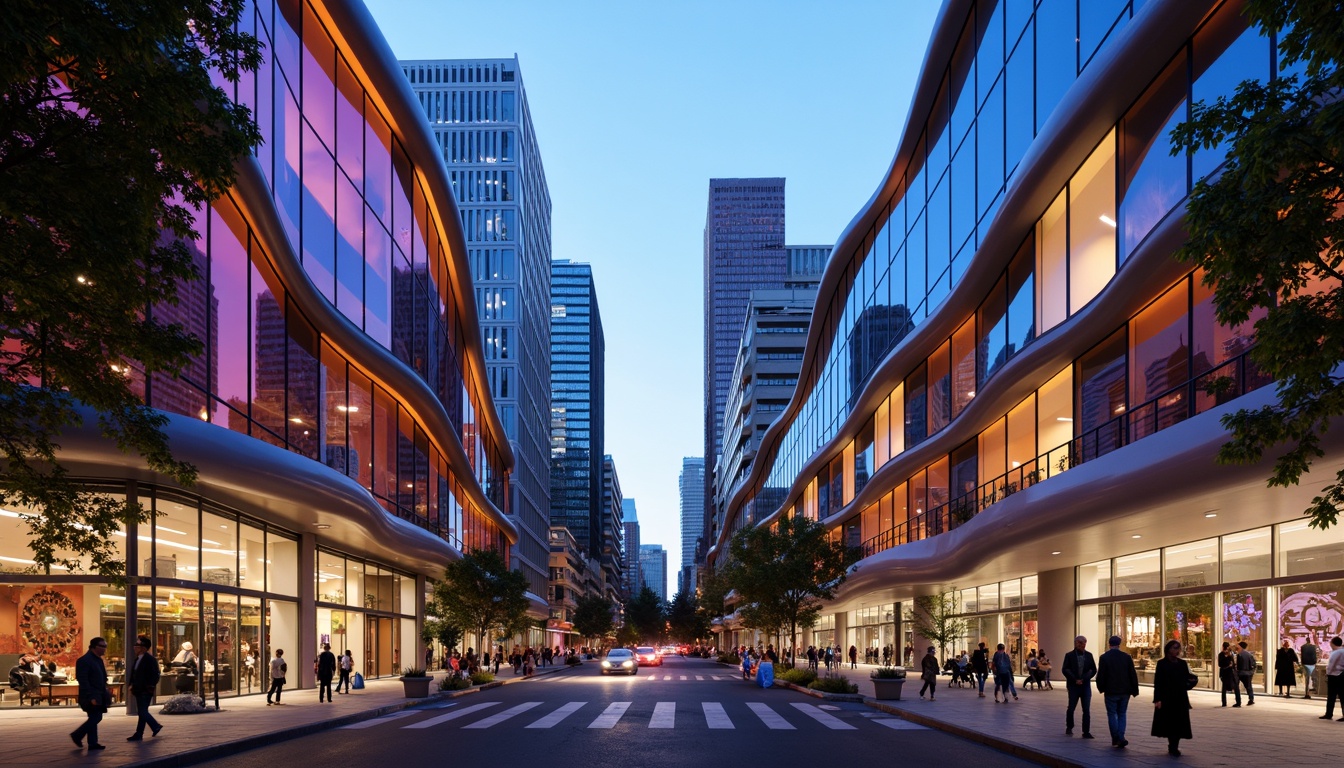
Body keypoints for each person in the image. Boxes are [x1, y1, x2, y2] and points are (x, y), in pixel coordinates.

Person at [1095, 635, 1139, 749]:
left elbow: (1101, 675)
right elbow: (1132, 674)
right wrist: (1134, 689)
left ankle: (1116, 737)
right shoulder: (1126, 657)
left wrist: (1101, 688)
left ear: (1109, 644)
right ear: (1119, 644)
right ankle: (1121, 736)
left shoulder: (1104, 657)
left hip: (1111, 691)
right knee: (1122, 713)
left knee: (1112, 714)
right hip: (1125, 691)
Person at [1151, 639, 1193, 757]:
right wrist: (1157, 699)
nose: (1177, 651)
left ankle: (1175, 745)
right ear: (1168, 649)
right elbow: (1158, 682)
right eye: (1174, 648)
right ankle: (1172, 744)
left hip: (1180, 696)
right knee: (1170, 722)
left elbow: (1187, 678)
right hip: (1166, 697)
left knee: (1179, 722)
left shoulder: (1182, 663)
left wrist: (1192, 681)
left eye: (1178, 648)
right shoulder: (1162, 663)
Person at [70, 637, 110, 750]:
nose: (104, 649)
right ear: (94, 647)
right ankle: (77, 735)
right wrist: (90, 696)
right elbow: (83, 680)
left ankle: (92, 743)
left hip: (99, 693)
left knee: (94, 717)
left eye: (105, 646)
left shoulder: (98, 660)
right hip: (91, 694)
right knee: (96, 717)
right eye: (102, 646)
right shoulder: (84, 660)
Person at [126, 635, 163, 741]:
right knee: (142, 712)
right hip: (138, 689)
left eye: (137, 645)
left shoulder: (149, 659)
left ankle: (155, 725)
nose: (134, 647)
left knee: (142, 711)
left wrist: (149, 686)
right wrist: (131, 684)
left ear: (144, 648)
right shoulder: (138, 659)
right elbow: (134, 674)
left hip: (145, 690)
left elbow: (155, 675)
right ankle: (139, 733)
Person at [1063, 635, 1097, 738]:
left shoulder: (1089, 655)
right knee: (1071, 707)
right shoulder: (1069, 655)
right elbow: (1065, 669)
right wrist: (1074, 679)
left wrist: (1085, 678)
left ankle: (1086, 731)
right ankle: (1069, 726)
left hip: (1085, 685)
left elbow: (1093, 669)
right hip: (1073, 686)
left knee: (1086, 709)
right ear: (1076, 643)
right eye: (1079, 643)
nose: (1081, 645)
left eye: (1083, 643)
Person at [1320, 636, 1344, 720]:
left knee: (1331, 696)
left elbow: (1331, 665)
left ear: (1333, 643)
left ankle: (1329, 713)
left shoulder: (1335, 653)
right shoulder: (1343, 651)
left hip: (1334, 675)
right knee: (1342, 696)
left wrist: (1327, 674)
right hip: (1342, 675)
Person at [1218, 642, 1240, 707]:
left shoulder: (1221, 654)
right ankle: (1238, 702)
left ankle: (1224, 703)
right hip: (1231, 673)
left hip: (1225, 673)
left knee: (1224, 688)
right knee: (1236, 687)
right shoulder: (1230, 654)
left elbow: (1220, 664)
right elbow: (1233, 664)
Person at [1236, 641, 1256, 705]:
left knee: (1236, 686)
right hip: (1248, 673)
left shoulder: (1240, 654)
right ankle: (1251, 699)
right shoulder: (1249, 655)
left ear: (1241, 647)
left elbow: (1238, 665)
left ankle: (1238, 701)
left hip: (1241, 673)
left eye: (1238, 645)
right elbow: (1253, 664)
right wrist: (1251, 672)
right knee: (1249, 686)